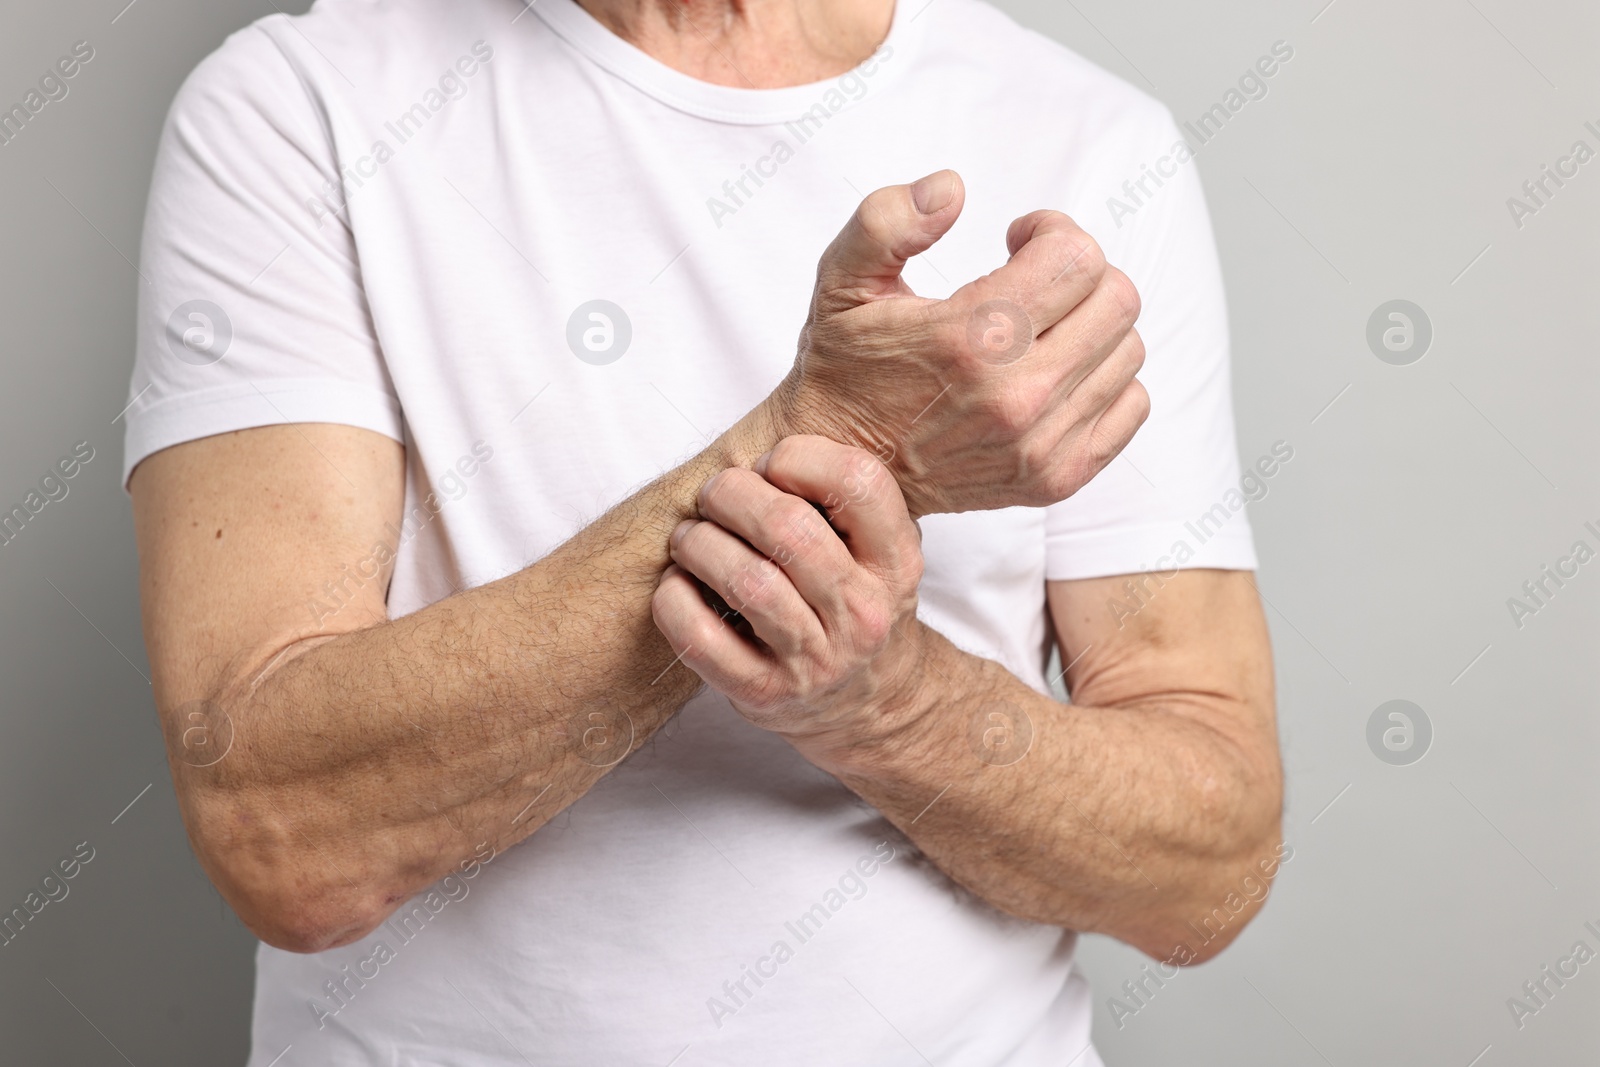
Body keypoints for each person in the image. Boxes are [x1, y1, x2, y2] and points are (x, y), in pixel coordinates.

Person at [124, 0, 1282, 1063]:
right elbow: (281, 828)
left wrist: (892, 707)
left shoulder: (1090, 141)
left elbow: (1208, 872)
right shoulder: (302, 105)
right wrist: (837, 438)